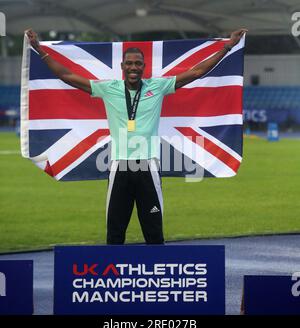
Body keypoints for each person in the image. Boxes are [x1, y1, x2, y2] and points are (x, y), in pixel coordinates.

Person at [25, 28, 247, 245]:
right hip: (119, 167)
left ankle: (155, 278)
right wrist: (38, 48)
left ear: (144, 67)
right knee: (114, 233)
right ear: (122, 67)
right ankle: (115, 279)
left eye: (138, 63)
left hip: (148, 166)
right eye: (129, 63)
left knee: (154, 233)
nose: (133, 67)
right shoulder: (108, 88)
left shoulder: (158, 86)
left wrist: (227, 47)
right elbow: (67, 76)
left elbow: (196, 72)